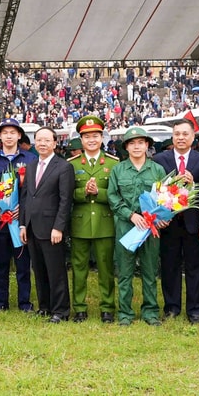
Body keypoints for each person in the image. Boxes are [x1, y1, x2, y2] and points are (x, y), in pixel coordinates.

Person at [107, 127, 168, 326]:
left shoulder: (157, 169)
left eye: (140, 142)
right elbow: (113, 196)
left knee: (150, 272)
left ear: (147, 145)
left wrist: (163, 217)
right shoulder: (119, 169)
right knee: (125, 272)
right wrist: (130, 215)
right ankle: (125, 313)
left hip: (150, 228)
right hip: (127, 226)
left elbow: (165, 198)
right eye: (132, 143)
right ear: (126, 147)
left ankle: (150, 312)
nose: (136, 146)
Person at [152, 119, 199, 324]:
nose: (181, 138)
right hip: (169, 224)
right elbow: (154, 191)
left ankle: (194, 310)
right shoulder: (160, 159)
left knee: (194, 267)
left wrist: (194, 185)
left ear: (193, 137)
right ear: (172, 136)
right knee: (169, 267)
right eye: (177, 134)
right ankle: (172, 308)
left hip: (193, 223)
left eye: (185, 134)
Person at [19, 127, 74, 323]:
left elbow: (65, 200)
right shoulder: (32, 165)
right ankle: (45, 306)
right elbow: (26, 197)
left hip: (52, 228)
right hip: (33, 227)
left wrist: (59, 227)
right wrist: (23, 225)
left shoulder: (63, 167)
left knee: (56, 271)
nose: (42, 143)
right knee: (39, 270)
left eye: (46, 140)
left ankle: (60, 310)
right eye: (38, 140)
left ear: (54, 143)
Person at [68, 115, 118, 323]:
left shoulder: (114, 164)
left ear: (102, 138)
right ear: (81, 140)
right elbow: (66, 193)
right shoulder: (71, 164)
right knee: (78, 269)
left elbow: (118, 194)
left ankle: (107, 307)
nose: (91, 140)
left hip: (104, 223)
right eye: (87, 136)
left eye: (95, 136)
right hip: (79, 223)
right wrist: (83, 192)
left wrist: (99, 192)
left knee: (106, 269)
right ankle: (79, 308)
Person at [0, 118, 36, 313]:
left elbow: (35, 190)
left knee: (23, 264)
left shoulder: (31, 159)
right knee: (0, 264)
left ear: (19, 135)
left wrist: (22, 209)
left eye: (12, 132)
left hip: (22, 221)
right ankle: (0, 303)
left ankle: (25, 303)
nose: (8, 136)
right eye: (4, 132)